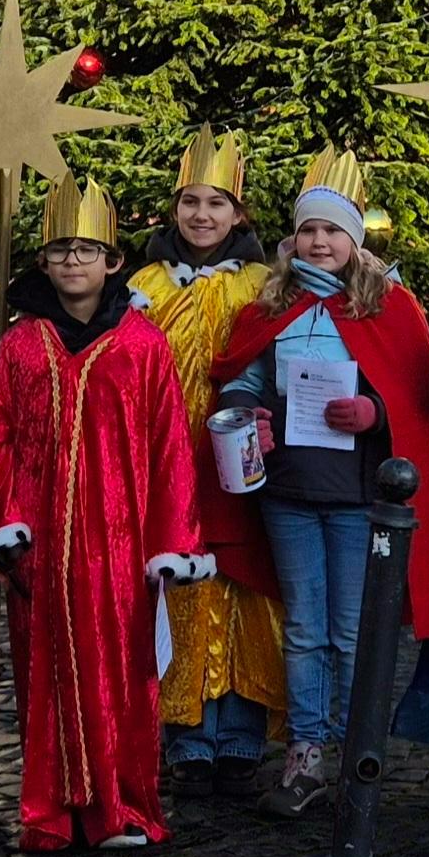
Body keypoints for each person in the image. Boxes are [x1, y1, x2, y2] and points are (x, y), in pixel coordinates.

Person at [0, 177, 208, 851]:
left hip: (120, 549)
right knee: (44, 680)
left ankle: (121, 808)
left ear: (113, 260)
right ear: (43, 261)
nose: (74, 262)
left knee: (120, 680)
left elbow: (169, 450)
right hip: (37, 545)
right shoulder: (21, 345)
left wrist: (171, 541)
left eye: (87, 250)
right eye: (61, 250)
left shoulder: (141, 345)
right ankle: (50, 811)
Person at [212, 148, 429, 818]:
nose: (319, 242)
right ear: (293, 240)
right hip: (287, 494)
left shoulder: (390, 306)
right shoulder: (270, 308)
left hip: (357, 499)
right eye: (309, 231)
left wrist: (373, 412)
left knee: (350, 630)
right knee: (303, 629)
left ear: (353, 239)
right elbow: (243, 377)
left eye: (333, 231)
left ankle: (357, 751)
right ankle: (306, 752)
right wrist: (247, 414)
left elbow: (415, 399)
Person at [127, 130, 287, 798]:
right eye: (190, 201)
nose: (201, 215)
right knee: (178, 589)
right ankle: (186, 733)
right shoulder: (141, 286)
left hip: (241, 464)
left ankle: (242, 732)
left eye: (215, 204)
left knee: (246, 587)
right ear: (174, 209)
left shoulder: (263, 284)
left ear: (238, 214)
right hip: (164, 462)